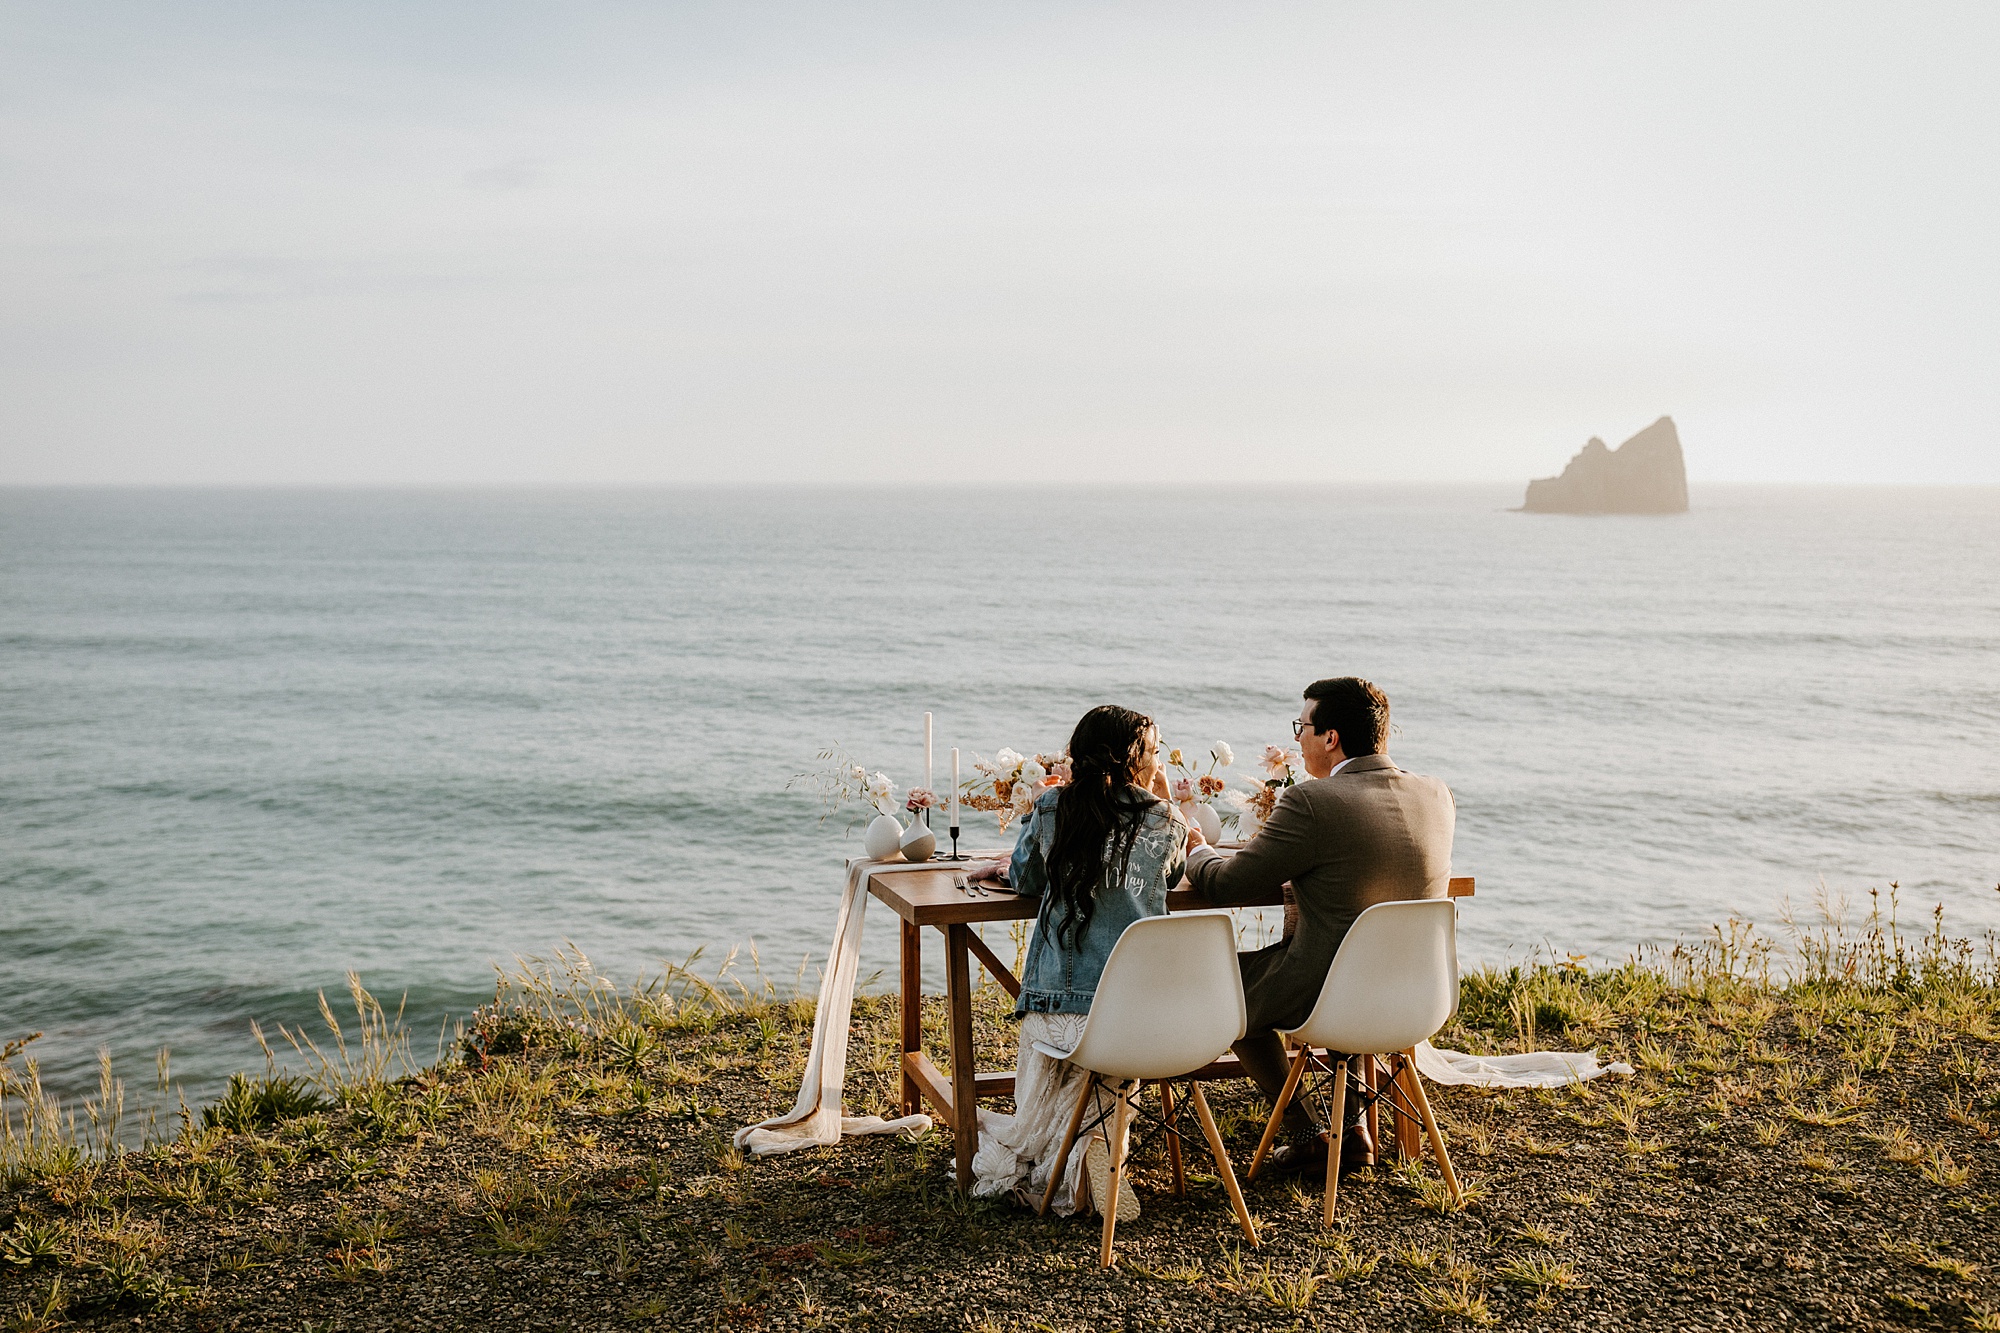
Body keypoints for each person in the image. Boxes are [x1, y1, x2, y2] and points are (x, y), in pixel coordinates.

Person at [1182, 676, 1454, 1176]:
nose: (1297, 739)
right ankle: (1351, 1129)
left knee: (1225, 988)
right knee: (1335, 961)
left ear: (1331, 738)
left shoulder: (1312, 802)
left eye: (1302, 727)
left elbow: (1225, 885)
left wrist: (1195, 845)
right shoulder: (1436, 795)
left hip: (1331, 989)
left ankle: (1308, 1134)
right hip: (1416, 992)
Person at [965, 705, 1186, 1219]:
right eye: (1154, 752)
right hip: (1137, 1020)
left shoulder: (1052, 810)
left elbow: (1026, 880)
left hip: (1057, 1009)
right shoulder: (1165, 822)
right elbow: (1170, 878)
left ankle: (1052, 1165)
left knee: (1049, 1086)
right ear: (1135, 760)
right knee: (1105, 1067)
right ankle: (1092, 1160)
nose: (1159, 761)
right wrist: (1162, 800)